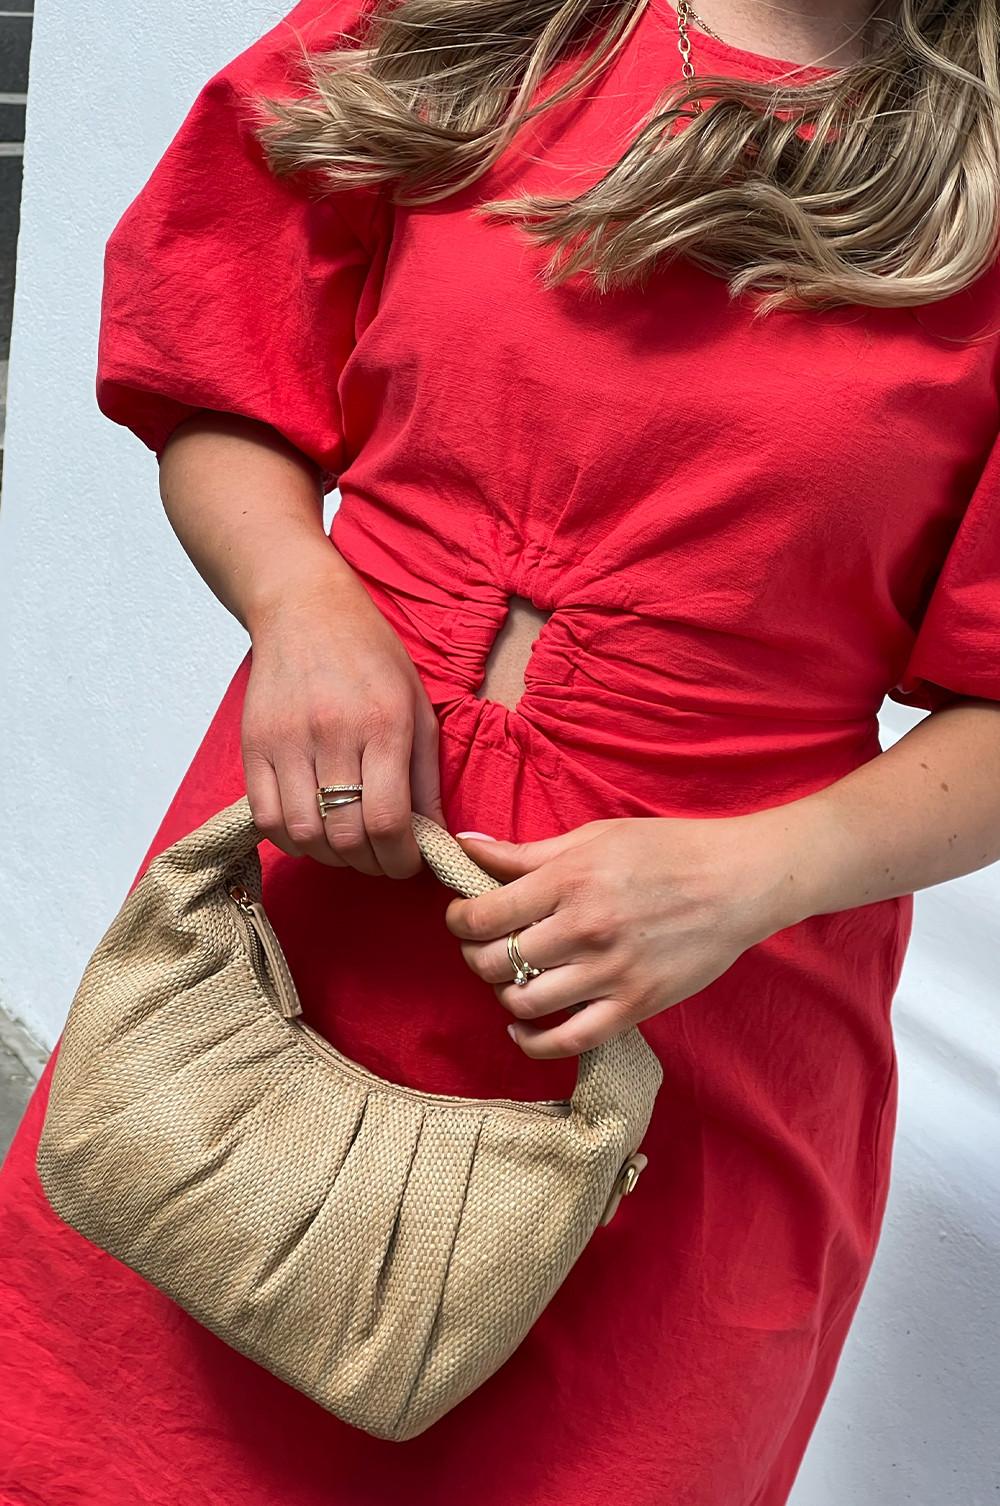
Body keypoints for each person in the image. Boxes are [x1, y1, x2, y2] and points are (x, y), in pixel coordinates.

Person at [2, 0, 1000, 1500]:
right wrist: (300, 597)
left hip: (685, 1035)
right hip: (297, 939)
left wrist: (746, 877)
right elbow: (213, 358)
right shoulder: (469, 23)